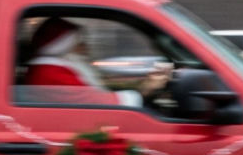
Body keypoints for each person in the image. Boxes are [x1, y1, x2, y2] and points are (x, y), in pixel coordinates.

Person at [21, 17, 170, 107]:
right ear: (64, 48)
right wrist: (146, 90)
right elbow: (95, 103)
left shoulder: (52, 70)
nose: (87, 48)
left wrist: (141, 86)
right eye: (80, 43)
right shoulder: (51, 73)